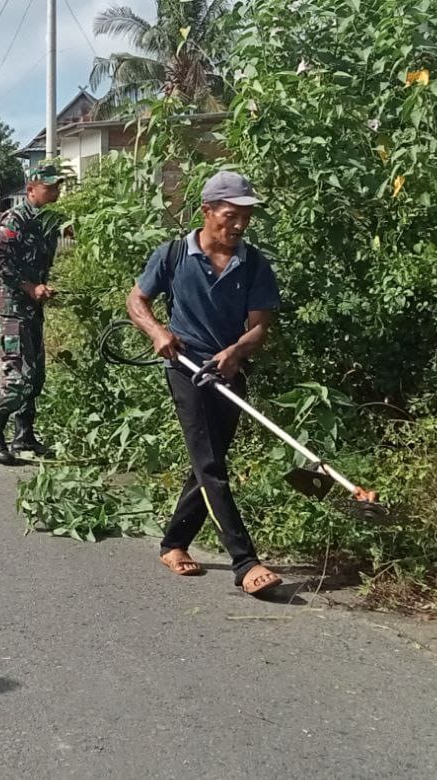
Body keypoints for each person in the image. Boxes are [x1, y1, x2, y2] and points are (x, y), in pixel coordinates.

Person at [126, 171, 284, 596]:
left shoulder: (253, 264)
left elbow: (259, 328)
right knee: (211, 464)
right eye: (231, 215)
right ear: (207, 211)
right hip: (186, 368)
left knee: (206, 463)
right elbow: (136, 300)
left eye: (245, 217)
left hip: (230, 371)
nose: (239, 225)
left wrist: (235, 353)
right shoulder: (174, 254)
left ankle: (173, 542)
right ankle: (244, 561)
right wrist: (158, 333)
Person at [0, 163, 64, 465]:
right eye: (49, 186)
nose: (55, 191)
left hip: (31, 304)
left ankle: (24, 436)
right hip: (10, 304)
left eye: (58, 186)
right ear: (31, 189)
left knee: (36, 374)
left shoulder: (49, 220)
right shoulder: (16, 219)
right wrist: (30, 287)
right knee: (17, 375)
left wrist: (43, 288)